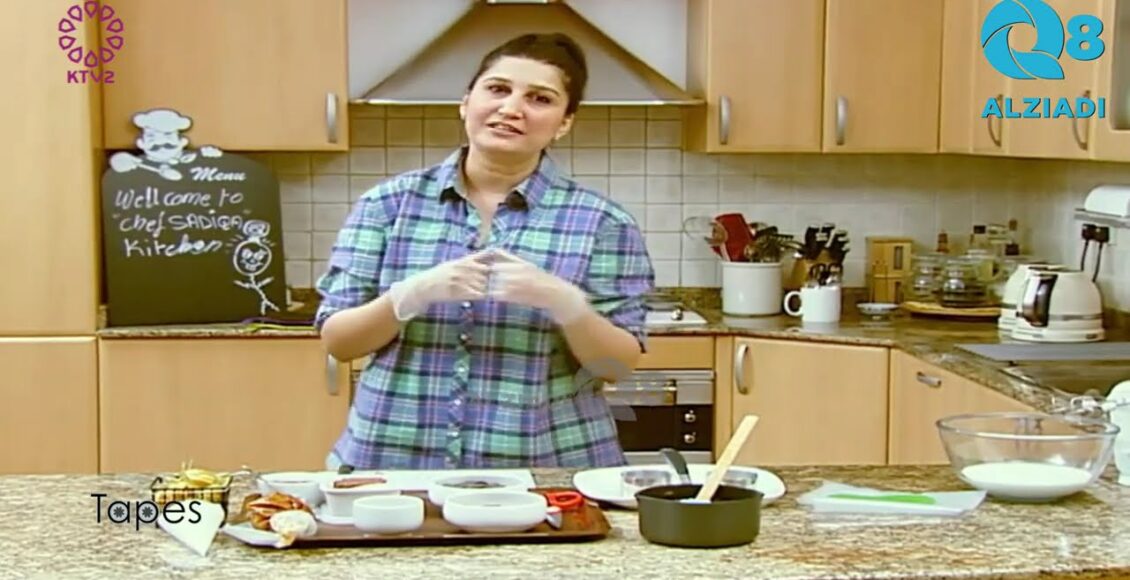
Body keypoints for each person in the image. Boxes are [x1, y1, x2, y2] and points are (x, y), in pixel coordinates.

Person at [314, 33, 655, 470]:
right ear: (465, 103)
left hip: (548, 471)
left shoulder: (604, 222)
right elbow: (339, 342)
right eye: (498, 89)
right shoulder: (386, 205)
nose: (511, 108)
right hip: (393, 467)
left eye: (540, 98)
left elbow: (615, 367)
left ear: (564, 123)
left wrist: (567, 304)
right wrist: (410, 295)